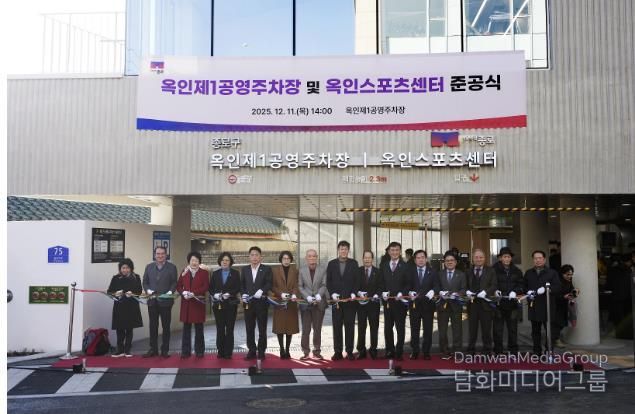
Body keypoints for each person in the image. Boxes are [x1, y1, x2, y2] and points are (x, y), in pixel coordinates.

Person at [326, 240, 360, 361]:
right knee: (337, 327)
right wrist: (332, 293)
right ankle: (338, 352)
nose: (343, 251)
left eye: (346, 249)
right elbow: (328, 281)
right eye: (341, 249)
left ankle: (349, 351)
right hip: (337, 302)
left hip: (350, 301)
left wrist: (354, 292)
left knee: (350, 327)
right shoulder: (331, 264)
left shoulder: (354, 263)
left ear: (348, 250)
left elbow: (357, 280)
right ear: (338, 250)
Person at [142, 246, 178, 358]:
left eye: (162, 253)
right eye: (158, 253)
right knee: (153, 326)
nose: (160, 256)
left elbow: (174, 282)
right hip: (152, 301)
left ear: (166, 255)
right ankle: (153, 349)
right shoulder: (149, 267)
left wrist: (170, 292)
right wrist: (148, 290)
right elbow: (145, 282)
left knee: (166, 326)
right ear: (155, 255)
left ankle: (165, 350)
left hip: (166, 302)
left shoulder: (172, 267)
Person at [524, 250, 561, 355]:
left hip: (547, 306)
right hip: (534, 306)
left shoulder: (552, 273)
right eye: (535, 258)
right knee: (535, 331)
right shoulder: (528, 273)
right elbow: (523, 286)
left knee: (550, 331)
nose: (538, 260)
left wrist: (547, 289)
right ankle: (537, 352)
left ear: (544, 259)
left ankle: (548, 351)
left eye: (540, 258)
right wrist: (527, 291)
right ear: (533, 260)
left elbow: (558, 287)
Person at [241, 246, 273, 360]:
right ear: (249, 257)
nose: (254, 257)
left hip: (261, 303)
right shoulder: (245, 269)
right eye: (252, 255)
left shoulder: (266, 269)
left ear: (260, 257)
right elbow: (242, 284)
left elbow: (269, 283)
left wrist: (262, 290)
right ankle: (252, 350)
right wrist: (243, 294)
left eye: (256, 255)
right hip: (248, 303)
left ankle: (261, 351)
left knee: (262, 328)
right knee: (249, 328)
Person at [176, 251, 210, 358]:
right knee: (186, 329)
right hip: (187, 304)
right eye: (192, 260)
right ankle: (185, 351)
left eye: (196, 260)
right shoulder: (184, 271)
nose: (194, 262)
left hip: (197, 303)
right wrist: (183, 292)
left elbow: (206, 286)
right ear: (189, 261)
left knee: (199, 329)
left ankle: (199, 351)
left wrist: (194, 293)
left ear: (199, 262)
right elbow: (178, 285)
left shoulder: (204, 273)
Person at [380, 241, 410, 360]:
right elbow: (381, 282)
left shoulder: (405, 266)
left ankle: (399, 351)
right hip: (387, 302)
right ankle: (389, 350)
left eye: (397, 250)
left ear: (400, 251)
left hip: (400, 303)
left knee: (400, 328)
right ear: (389, 252)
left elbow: (408, 283)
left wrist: (402, 292)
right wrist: (383, 292)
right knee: (388, 328)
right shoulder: (384, 265)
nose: (394, 252)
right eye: (392, 250)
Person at [107, 258, 143, 357]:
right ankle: (120, 350)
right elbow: (109, 291)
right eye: (123, 268)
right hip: (119, 306)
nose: (125, 270)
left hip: (131, 306)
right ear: (120, 269)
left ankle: (127, 350)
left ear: (131, 268)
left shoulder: (136, 277)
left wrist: (132, 293)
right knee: (119, 329)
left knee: (129, 328)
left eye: (127, 268)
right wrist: (116, 293)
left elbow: (139, 291)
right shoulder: (116, 278)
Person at [407, 249, 439, 360]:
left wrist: (433, 291)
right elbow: (406, 285)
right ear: (415, 260)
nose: (420, 260)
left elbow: (437, 286)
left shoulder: (433, 271)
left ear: (426, 259)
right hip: (414, 305)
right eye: (418, 258)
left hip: (428, 305)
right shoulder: (410, 271)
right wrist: (409, 292)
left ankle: (426, 352)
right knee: (414, 329)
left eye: (422, 257)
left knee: (428, 330)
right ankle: (415, 351)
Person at [492, 247, 524, 354]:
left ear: (511, 258)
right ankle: (498, 351)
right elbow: (490, 283)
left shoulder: (517, 271)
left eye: (508, 257)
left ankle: (513, 351)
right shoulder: (493, 270)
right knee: (498, 330)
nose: (507, 259)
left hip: (512, 304)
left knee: (513, 329)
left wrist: (515, 291)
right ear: (500, 258)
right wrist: (495, 290)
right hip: (498, 304)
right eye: (504, 257)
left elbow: (521, 285)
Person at [297, 249, 328, 360]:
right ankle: (305, 352)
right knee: (306, 330)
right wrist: (307, 296)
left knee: (317, 329)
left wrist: (319, 294)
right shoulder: (301, 270)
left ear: (317, 257)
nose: (312, 258)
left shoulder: (322, 269)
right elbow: (300, 286)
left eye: (314, 256)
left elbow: (324, 284)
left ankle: (317, 352)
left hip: (319, 303)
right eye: (309, 256)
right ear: (306, 258)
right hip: (306, 303)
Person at [465, 249, 497, 354]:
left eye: (481, 257)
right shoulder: (468, 271)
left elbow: (494, 285)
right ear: (472, 259)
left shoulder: (491, 271)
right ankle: (470, 351)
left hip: (486, 304)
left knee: (486, 330)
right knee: (472, 330)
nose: (478, 259)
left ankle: (487, 351)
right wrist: (467, 291)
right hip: (472, 304)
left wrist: (486, 292)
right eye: (476, 257)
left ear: (484, 258)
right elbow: (464, 286)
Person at [210, 252, 241, 359]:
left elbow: (238, 287)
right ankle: (220, 350)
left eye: (227, 260)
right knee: (220, 328)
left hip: (230, 305)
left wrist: (230, 294)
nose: (225, 262)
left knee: (230, 328)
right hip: (218, 305)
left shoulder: (235, 273)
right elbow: (211, 288)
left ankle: (228, 352)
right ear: (220, 261)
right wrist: (215, 294)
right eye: (223, 260)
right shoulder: (215, 273)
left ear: (230, 262)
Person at [437, 250, 467, 359]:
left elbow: (464, 289)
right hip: (443, 305)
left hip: (456, 305)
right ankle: (445, 351)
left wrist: (457, 294)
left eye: (452, 260)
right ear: (444, 262)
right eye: (447, 260)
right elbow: (436, 287)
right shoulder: (439, 274)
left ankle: (457, 351)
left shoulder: (461, 274)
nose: (449, 262)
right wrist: (440, 292)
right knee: (442, 331)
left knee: (457, 330)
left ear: (455, 262)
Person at [272, 251, 300, 359]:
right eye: (284, 258)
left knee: (290, 328)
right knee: (280, 327)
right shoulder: (275, 271)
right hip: (280, 302)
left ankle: (287, 350)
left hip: (291, 302)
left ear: (291, 260)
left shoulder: (295, 271)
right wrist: (280, 294)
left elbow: (297, 284)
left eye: (288, 258)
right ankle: (281, 349)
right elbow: (273, 286)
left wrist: (294, 294)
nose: (286, 260)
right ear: (281, 259)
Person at [356, 250, 382, 360]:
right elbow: (354, 285)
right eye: (365, 257)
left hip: (373, 305)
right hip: (361, 305)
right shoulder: (358, 271)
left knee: (374, 328)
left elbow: (381, 286)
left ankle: (373, 349)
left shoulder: (378, 272)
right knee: (361, 328)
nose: (367, 259)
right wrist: (358, 293)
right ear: (362, 259)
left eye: (369, 257)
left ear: (372, 259)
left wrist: (377, 294)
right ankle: (361, 350)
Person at [554, 264, 577, 348]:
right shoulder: (557, 282)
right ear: (562, 274)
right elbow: (554, 295)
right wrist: (563, 296)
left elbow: (571, 289)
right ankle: (556, 340)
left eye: (571, 274)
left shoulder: (569, 281)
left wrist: (575, 292)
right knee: (558, 323)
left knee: (563, 323)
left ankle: (556, 339)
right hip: (556, 305)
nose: (570, 276)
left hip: (564, 305)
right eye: (568, 274)